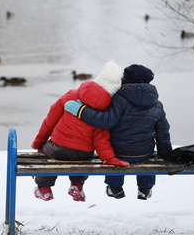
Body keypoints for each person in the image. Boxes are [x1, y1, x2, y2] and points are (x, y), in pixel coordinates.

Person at [65, 64, 172, 200]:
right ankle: (145, 188)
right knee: (150, 155)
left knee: (114, 151)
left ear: (125, 80)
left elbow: (105, 121)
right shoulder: (156, 103)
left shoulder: (119, 99)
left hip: (119, 154)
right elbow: (163, 132)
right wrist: (165, 153)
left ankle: (114, 187)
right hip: (144, 153)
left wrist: (81, 110)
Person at [31, 61, 129, 202]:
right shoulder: (102, 114)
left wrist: (39, 141)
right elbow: (101, 140)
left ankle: (44, 188)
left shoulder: (70, 96)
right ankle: (77, 184)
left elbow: (50, 121)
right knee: (83, 159)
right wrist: (109, 158)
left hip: (58, 147)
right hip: (83, 153)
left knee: (46, 153)